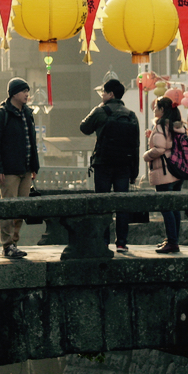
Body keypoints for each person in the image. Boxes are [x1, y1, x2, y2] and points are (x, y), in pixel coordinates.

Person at [80, 78, 139, 253]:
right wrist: (133, 172)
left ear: (110, 94)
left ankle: (103, 241)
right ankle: (121, 242)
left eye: (104, 92)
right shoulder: (131, 115)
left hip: (103, 164)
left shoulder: (100, 111)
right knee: (122, 205)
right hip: (124, 166)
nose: (102, 95)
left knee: (102, 203)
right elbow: (135, 145)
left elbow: (84, 127)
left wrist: (98, 109)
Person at [0, 78, 40, 260]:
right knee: (8, 208)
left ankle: (15, 242)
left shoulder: (27, 113)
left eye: (27, 91)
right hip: (9, 170)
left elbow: (31, 141)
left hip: (25, 169)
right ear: (13, 93)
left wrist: (34, 166)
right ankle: (7, 245)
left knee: (21, 209)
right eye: (24, 91)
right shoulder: (1, 115)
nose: (27, 94)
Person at [143, 96, 186, 254]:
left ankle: (172, 242)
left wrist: (146, 155)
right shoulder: (177, 125)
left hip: (164, 172)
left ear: (162, 110)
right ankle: (172, 239)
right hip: (177, 171)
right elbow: (170, 145)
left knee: (166, 207)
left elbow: (160, 149)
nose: (154, 110)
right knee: (174, 207)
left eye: (156, 107)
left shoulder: (161, 125)